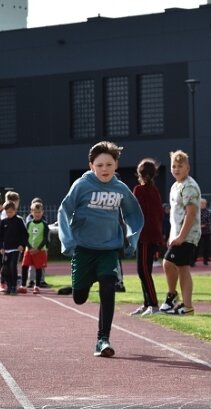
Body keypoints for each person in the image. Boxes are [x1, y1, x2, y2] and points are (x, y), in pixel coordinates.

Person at [58, 141, 143, 357]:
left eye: (109, 164)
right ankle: (85, 282)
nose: (104, 169)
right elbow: (64, 210)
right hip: (84, 250)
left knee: (108, 285)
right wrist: (67, 241)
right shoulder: (82, 185)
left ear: (116, 165)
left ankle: (102, 339)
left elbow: (133, 214)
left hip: (108, 249)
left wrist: (131, 239)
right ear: (91, 166)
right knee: (79, 297)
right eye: (99, 165)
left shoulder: (120, 188)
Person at [160, 150, 201, 316]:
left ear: (188, 168)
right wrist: (172, 236)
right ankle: (184, 304)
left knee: (168, 263)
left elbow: (190, 213)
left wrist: (182, 236)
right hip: (178, 235)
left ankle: (175, 299)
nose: (176, 169)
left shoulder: (189, 186)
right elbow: (175, 216)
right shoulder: (175, 186)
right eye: (173, 166)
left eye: (180, 166)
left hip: (188, 236)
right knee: (181, 267)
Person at [129, 159, 163, 317]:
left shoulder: (139, 190)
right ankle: (147, 303)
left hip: (144, 236)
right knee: (145, 270)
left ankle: (153, 304)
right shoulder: (155, 191)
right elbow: (159, 215)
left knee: (143, 270)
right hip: (153, 234)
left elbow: (135, 212)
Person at [0, 201, 28, 295]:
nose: (9, 214)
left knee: (12, 266)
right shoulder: (4, 222)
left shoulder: (19, 221)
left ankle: (14, 286)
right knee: (5, 269)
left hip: (16, 249)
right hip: (6, 249)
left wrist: (22, 245)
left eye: (11, 212)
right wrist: (1, 247)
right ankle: (9, 286)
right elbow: (0, 237)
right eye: (7, 212)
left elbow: (25, 234)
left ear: (15, 211)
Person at [21, 201, 49, 294]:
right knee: (24, 266)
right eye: (35, 212)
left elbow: (45, 238)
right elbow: (25, 237)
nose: (37, 214)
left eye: (39, 212)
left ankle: (37, 286)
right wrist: (29, 247)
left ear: (42, 212)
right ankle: (23, 286)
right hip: (29, 250)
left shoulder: (44, 225)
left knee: (38, 268)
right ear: (31, 212)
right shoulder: (29, 224)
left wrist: (38, 248)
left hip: (40, 250)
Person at [198, 197, 211, 266]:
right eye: (201, 203)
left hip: (206, 232)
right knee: (196, 247)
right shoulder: (196, 212)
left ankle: (205, 261)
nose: (202, 204)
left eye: (204, 203)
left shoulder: (208, 213)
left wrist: (200, 226)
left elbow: (208, 223)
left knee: (206, 247)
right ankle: (192, 261)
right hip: (197, 233)